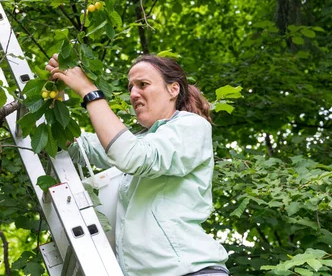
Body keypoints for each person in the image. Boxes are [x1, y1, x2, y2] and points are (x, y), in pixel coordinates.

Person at [45, 53, 229, 276]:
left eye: (143, 84)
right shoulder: (140, 140)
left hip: (191, 271)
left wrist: (89, 91)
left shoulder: (191, 126)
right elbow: (74, 146)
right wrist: (56, 96)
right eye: (131, 87)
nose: (133, 93)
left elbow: (131, 156)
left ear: (174, 89)